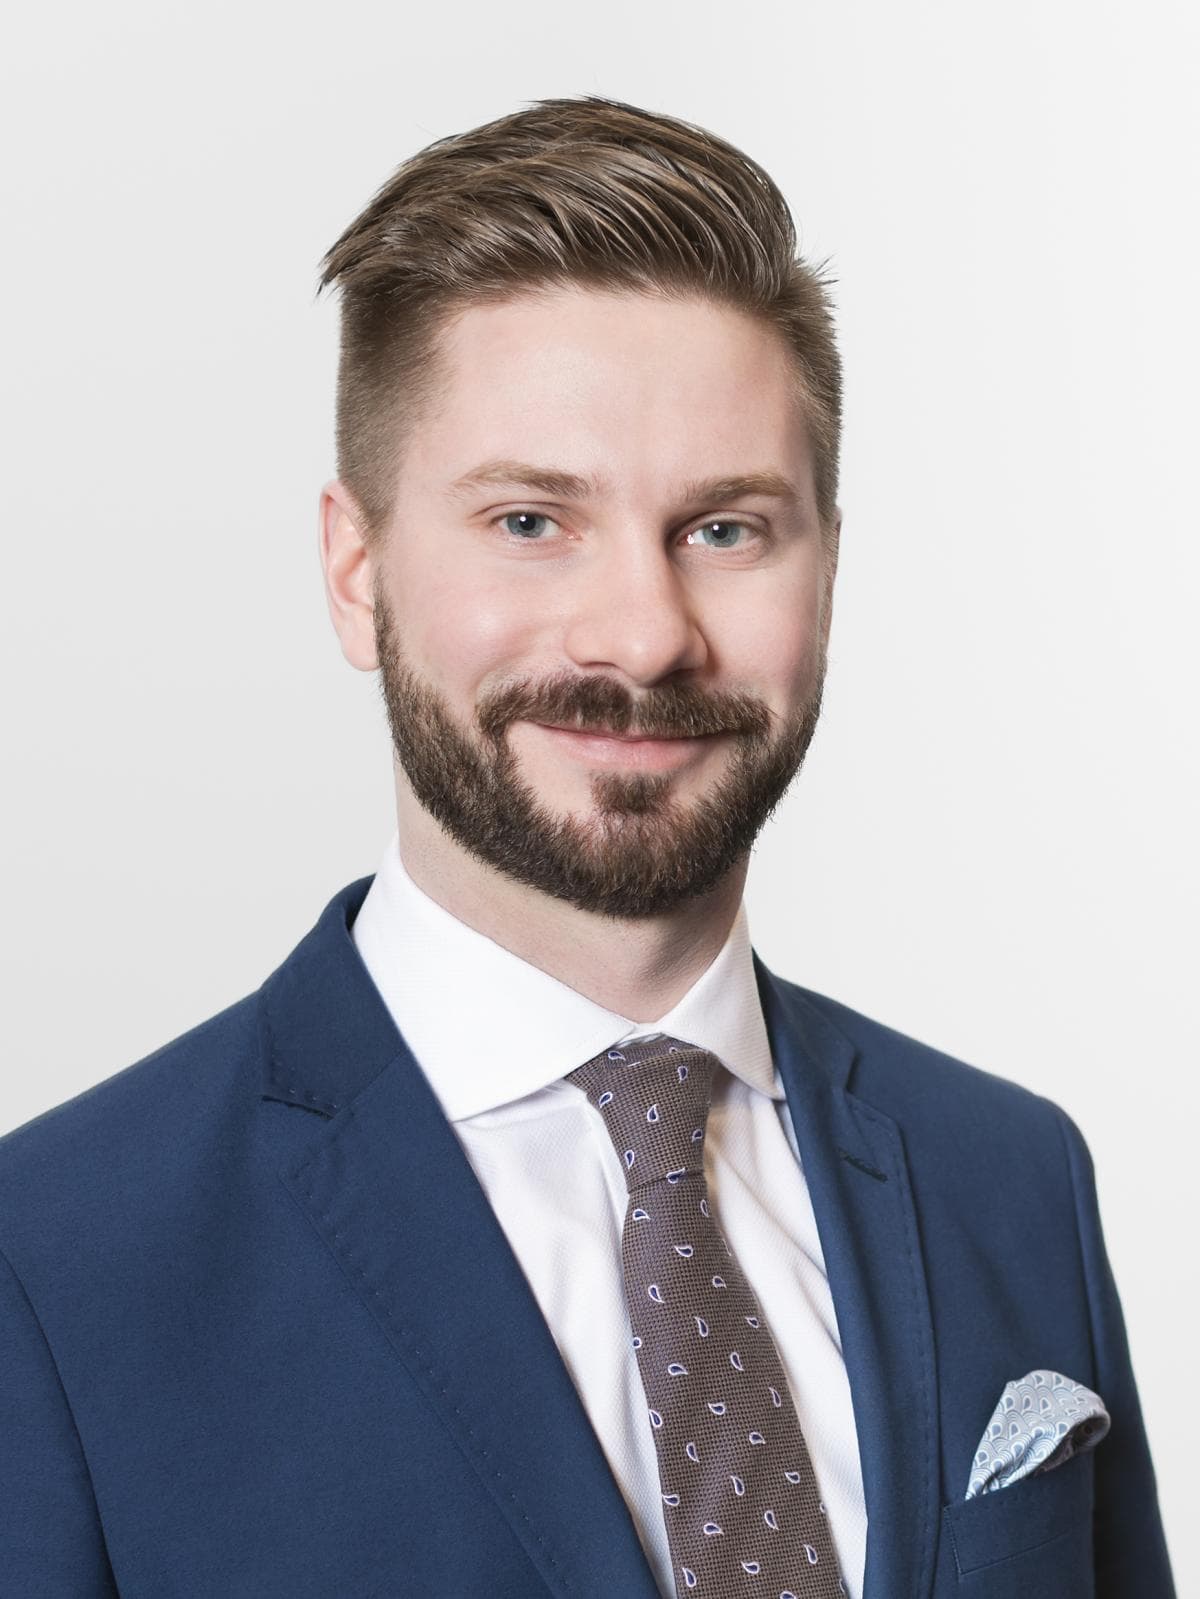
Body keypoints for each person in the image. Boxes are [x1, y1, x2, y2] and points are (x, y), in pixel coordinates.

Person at [0, 97, 1173, 1599]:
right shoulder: (55, 1263)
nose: (644, 635)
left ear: (827, 564)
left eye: (725, 529)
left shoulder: (1007, 1178)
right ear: (357, 574)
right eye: (529, 521)